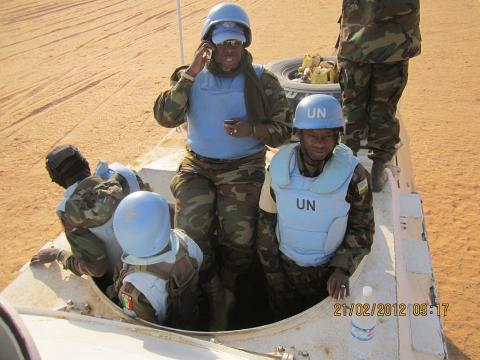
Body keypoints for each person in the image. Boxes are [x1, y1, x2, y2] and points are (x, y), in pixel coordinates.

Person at [153, 3, 292, 330]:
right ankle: (210, 285)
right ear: (208, 44)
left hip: (243, 167)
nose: (229, 50)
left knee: (240, 238)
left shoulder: (262, 80)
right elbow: (164, 116)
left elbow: (284, 131)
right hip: (199, 166)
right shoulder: (189, 76)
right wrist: (189, 74)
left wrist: (253, 130)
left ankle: (229, 286)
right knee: (190, 230)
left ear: (244, 43)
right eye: (222, 42)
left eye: (235, 42)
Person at [256, 94, 374, 319]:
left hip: (328, 274)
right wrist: (273, 274)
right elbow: (266, 224)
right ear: (299, 134)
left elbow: (363, 227)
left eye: (327, 136)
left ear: (338, 136)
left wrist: (342, 268)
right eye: (313, 135)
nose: (320, 143)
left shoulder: (355, 175)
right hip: (284, 269)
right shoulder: (278, 169)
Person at [30, 145, 150, 283]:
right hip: (165, 252)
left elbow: (96, 268)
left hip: (132, 275)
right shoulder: (123, 173)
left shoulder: (69, 214)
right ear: (85, 163)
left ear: (57, 180)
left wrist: (60, 255)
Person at [336, 0, 421, 191]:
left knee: (352, 107)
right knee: (383, 108)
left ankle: (346, 164)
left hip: (357, 40)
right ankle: (379, 167)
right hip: (395, 42)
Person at [113, 191, 203, 330]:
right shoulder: (185, 242)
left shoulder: (134, 288)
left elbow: (142, 329)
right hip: (192, 315)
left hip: (169, 332)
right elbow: (201, 264)